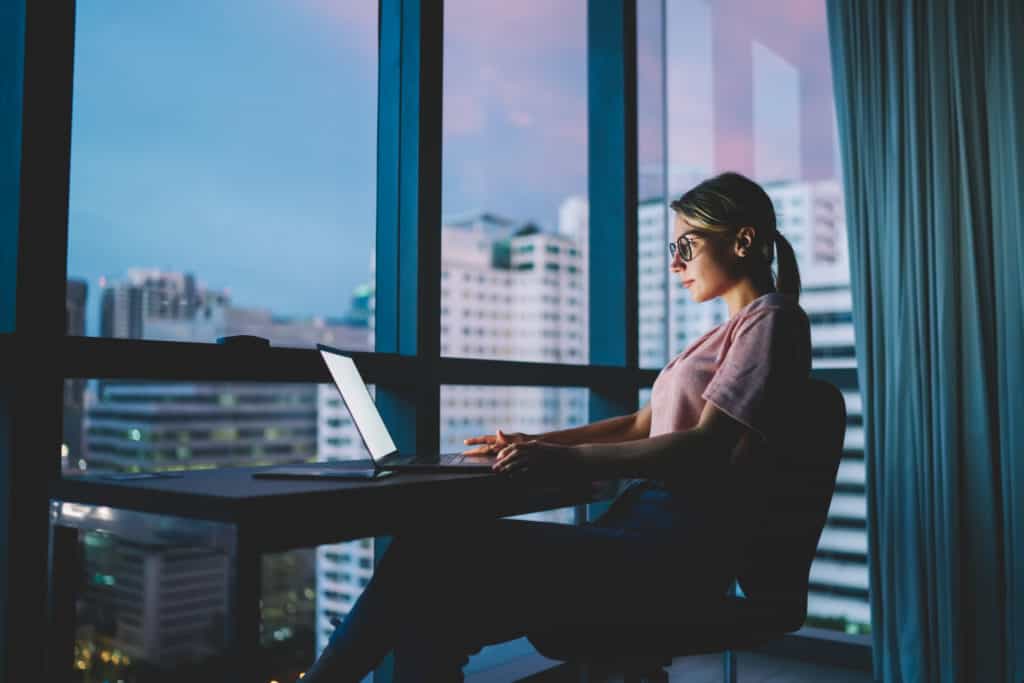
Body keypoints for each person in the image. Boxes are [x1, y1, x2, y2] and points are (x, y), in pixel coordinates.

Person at [299, 171, 811, 682]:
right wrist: (537, 442)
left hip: (673, 546)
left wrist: (563, 458)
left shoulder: (773, 321)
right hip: (643, 527)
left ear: (742, 241)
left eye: (686, 244)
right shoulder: (725, 333)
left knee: (426, 551)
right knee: (434, 609)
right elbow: (640, 424)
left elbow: (704, 448)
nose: (674, 261)